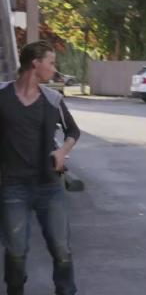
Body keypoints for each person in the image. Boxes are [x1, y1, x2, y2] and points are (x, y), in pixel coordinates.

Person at [0, 41, 80, 295]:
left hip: (49, 187)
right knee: (15, 253)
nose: (54, 69)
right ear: (35, 63)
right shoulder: (2, 99)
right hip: (13, 188)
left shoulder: (52, 99)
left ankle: (65, 291)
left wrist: (62, 151)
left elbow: (73, 131)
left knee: (61, 250)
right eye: (51, 62)